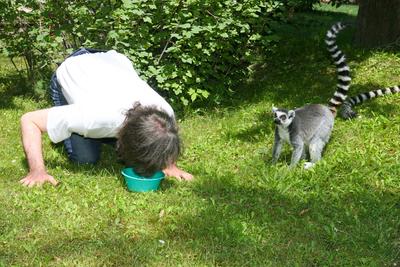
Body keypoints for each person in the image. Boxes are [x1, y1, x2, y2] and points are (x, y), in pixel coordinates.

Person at [19, 48, 193, 187]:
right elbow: (29, 120)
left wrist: (170, 166)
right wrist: (37, 171)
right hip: (73, 68)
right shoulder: (93, 117)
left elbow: (164, 135)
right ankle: (73, 130)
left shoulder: (165, 114)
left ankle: (102, 139)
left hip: (111, 61)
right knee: (85, 159)